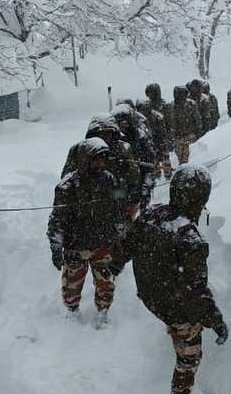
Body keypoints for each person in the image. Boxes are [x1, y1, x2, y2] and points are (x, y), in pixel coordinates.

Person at [111, 165, 229, 394]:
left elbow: (127, 243)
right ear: (200, 198)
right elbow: (197, 292)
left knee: (179, 324)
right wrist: (216, 321)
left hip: (149, 295)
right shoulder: (190, 239)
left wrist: (116, 263)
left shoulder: (152, 214)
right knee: (190, 355)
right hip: (175, 307)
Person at [47, 138, 122, 329]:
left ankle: (103, 312)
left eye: (103, 159)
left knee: (105, 282)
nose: (101, 164)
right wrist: (56, 245)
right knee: (72, 283)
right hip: (76, 246)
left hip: (103, 244)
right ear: (85, 160)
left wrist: (120, 233)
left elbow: (118, 209)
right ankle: (72, 312)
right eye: (96, 159)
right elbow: (57, 218)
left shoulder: (110, 180)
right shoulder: (68, 186)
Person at [61, 114, 136, 229]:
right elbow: (67, 176)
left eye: (108, 133)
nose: (105, 137)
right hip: (87, 201)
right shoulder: (80, 149)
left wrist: (125, 170)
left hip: (117, 200)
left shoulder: (123, 148)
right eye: (101, 133)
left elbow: (134, 178)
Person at [111, 104, 156, 211]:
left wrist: (146, 187)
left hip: (136, 188)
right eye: (120, 121)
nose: (124, 124)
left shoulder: (140, 138)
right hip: (115, 191)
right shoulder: (109, 139)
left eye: (126, 120)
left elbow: (149, 166)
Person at [144, 83, 175, 179]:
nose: (151, 95)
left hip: (163, 136)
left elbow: (170, 123)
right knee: (154, 159)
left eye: (152, 92)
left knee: (165, 158)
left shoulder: (164, 105)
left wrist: (170, 138)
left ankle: (168, 176)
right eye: (149, 93)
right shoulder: (146, 106)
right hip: (152, 136)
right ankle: (157, 177)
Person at [172, 86, 201, 165]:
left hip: (190, 135)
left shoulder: (191, 104)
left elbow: (197, 120)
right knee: (180, 158)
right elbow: (172, 123)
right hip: (178, 137)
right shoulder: (173, 106)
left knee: (189, 156)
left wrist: (198, 133)